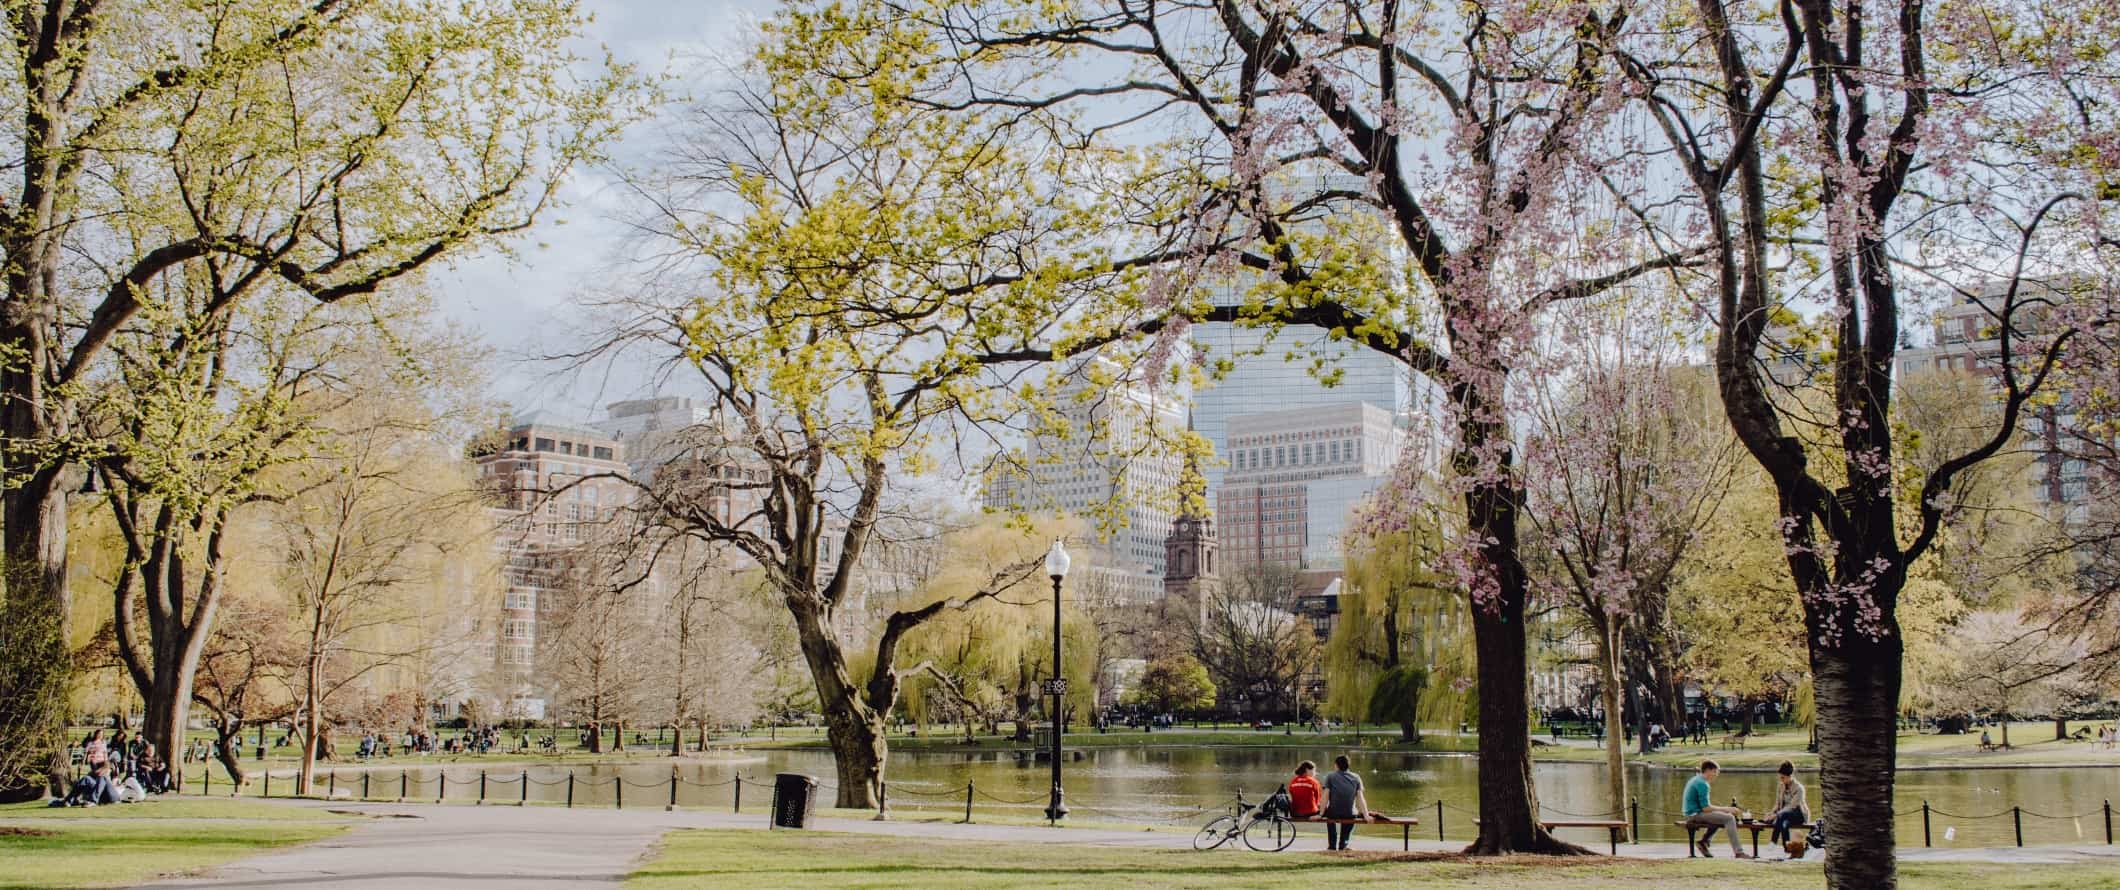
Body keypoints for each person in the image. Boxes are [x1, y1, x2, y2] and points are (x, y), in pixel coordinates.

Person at [1683, 760, 1751, 859]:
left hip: (1692, 813)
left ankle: (1704, 842)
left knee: (1720, 815)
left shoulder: (1696, 779)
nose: (1716, 775)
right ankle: (1739, 852)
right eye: (1715, 772)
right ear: (1708, 770)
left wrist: (1723, 810)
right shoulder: (1702, 784)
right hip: (1695, 814)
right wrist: (1728, 809)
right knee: (1729, 818)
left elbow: (1705, 807)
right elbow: (1706, 808)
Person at [1320, 755, 1371, 851]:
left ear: (1336, 765)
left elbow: (1325, 797)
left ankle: (1332, 845)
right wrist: (1366, 814)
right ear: (1348, 765)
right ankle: (1343, 844)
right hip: (1350, 814)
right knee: (1352, 813)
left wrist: (1320, 813)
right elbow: (1360, 798)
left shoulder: (1330, 776)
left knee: (1329, 815)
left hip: (1333, 813)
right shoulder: (1356, 777)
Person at [1767, 761, 1810, 854]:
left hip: (1799, 814)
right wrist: (1771, 813)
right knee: (1784, 823)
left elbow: (1792, 806)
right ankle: (1787, 849)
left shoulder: (1799, 788)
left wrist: (1776, 815)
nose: (1781, 780)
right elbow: (1777, 804)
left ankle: (1773, 841)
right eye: (1780, 777)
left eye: (1783, 777)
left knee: (1782, 815)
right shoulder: (1781, 786)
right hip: (1783, 816)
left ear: (1790, 776)